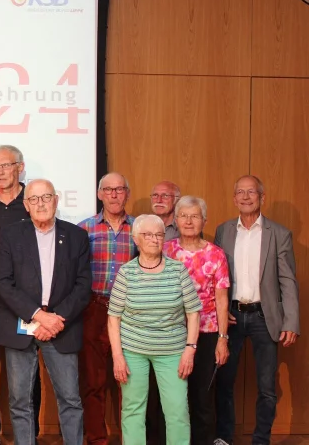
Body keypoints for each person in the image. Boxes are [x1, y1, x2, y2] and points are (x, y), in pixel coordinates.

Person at [0, 179, 91, 445]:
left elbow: (83, 286)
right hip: (22, 323)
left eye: (46, 197)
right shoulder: (11, 234)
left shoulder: (76, 236)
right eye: (34, 199)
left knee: (70, 398)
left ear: (56, 200)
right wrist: (38, 315)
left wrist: (56, 319)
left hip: (62, 325)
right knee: (19, 399)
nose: (41, 204)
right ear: (26, 205)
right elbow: (3, 282)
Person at [214, 175, 300, 445]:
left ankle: (261, 440)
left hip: (265, 316)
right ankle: (224, 438)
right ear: (234, 198)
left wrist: (291, 322)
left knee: (267, 387)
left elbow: (287, 280)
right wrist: (218, 313)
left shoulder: (279, 233)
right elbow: (217, 277)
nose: (246, 197)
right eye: (240, 192)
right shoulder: (223, 231)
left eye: (252, 192)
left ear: (262, 197)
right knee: (224, 382)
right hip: (232, 316)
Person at [108, 215, 202, 445]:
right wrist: (118, 356)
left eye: (159, 234)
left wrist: (190, 349)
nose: (154, 239)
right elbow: (113, 318)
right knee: (133, 409)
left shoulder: (178, 271)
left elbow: (193, 313)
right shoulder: (126, 273)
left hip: (172, 350)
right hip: (133, 349)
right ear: (136, 240)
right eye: (148, 235)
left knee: (177, 409)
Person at [0, 145, 42, 444]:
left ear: (20, 167)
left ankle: (29, 433)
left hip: (23, 303)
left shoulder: (33, 202)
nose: (0, 171)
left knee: (27, 373)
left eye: (6, 165)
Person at [162, 196, 230, 445]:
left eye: (195, 216)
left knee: (202, 398)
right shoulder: (165, 250)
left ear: (204, 220)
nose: (189, 221)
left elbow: (222, 300)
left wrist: (222, 339)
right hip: (171, 334)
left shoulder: (216, 255)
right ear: (175, 220)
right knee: (173, 398)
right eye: (183, 216)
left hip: (207, 333)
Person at [77, 172, 137, 445]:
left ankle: (133, 439)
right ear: (100, 194)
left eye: (119, 189)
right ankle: (97, 440)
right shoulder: (84, 229)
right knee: (93, 382)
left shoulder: (140, 229)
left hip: (131, 314)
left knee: (133, 383)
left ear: (127, 193)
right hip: (94, 310)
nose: (114, 195)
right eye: (108, 190)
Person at [146, 180, 181, 444]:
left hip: (176, 322)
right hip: (145, 321)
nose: (159, 199)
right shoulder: (142, 227)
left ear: (176, 200)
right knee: (149, 392)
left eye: (165, 195)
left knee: (175, 392)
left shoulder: (186, 228)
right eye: (155, 195)